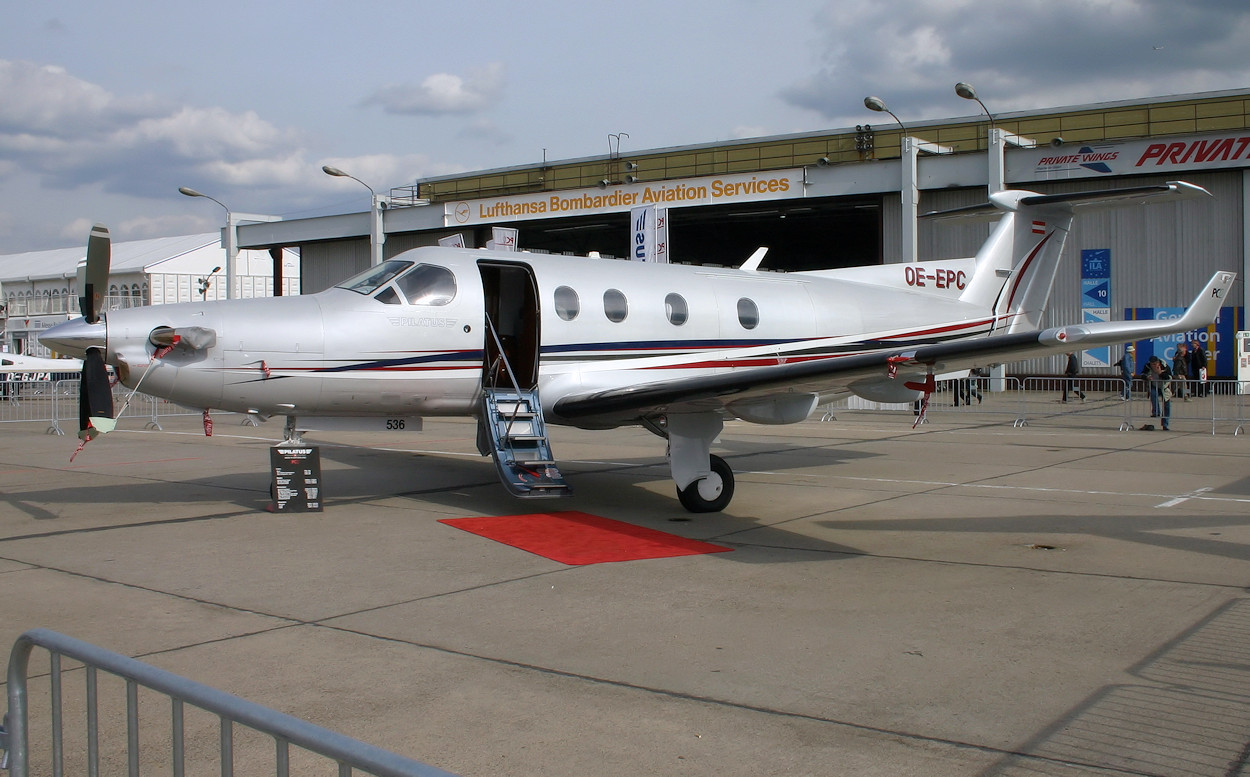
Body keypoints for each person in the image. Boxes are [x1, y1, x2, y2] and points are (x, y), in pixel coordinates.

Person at [1147, 357, 1173, 430]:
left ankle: (1165, 424)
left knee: (1167, 406)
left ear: (1158, 363)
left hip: (1165, 387)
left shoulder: (1165, 366)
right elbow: (1143, 374)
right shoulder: (1147, 366)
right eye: (1152, 364)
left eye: (1155, 364)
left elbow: (1168, 377)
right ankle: (1156, 412)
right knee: (1153, 394)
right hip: (1155, 386)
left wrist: (1160, 373)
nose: (1154, 366)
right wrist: (1147, 377)